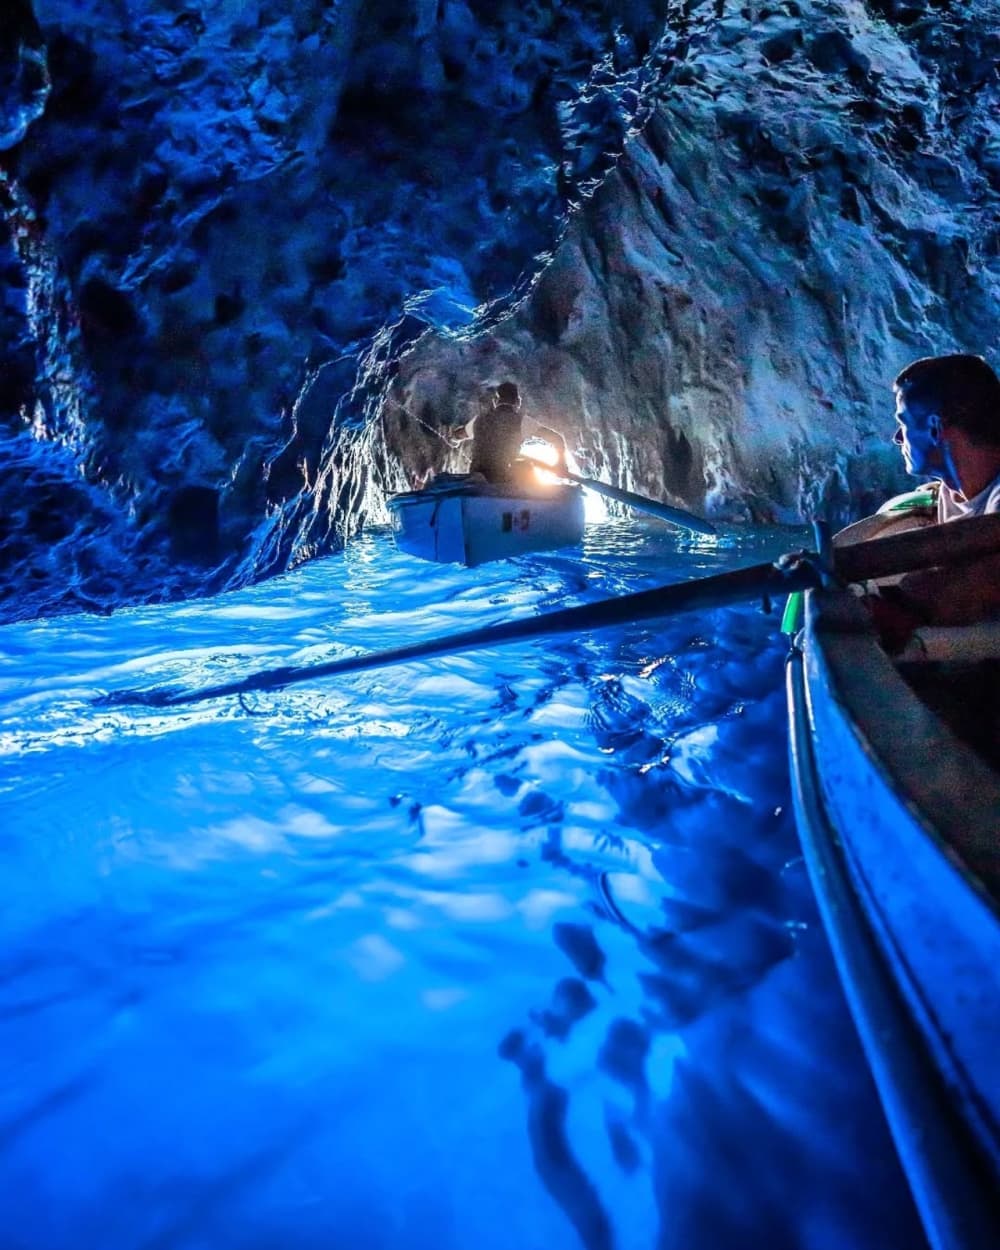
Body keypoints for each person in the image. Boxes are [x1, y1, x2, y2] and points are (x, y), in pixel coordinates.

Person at [863, 353, 1000, 647]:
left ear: (936, 428)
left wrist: (902, 606)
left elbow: (988, 577)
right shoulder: (951, 492)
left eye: (904, 423)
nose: (897, 438)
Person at [464, 381, 525, 484]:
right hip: (504, 477)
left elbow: (460, 434)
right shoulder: (522, 421)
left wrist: (454, 439)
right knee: (525, 466)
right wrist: (559, 464)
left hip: (478, 474)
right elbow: (556, 438)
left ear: (495, 401)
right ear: (517, 401)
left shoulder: (479, 419)